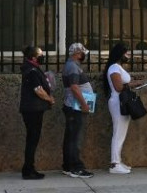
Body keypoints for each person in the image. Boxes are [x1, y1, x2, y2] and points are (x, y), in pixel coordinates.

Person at [103, 42, 144, 174]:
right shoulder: (114, 68)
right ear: (120, 54)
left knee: (121, 133)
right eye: (126, 53)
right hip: (117, 102)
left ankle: (118, 161)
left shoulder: (117, 67)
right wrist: (135, 83)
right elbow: (119, 87)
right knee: (118, 132)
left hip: (121, 102)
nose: (128, 55)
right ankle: (114, 164)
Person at [19, 45, 55, 180]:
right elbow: (38, 89)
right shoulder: (32, 71)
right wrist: (49, 98)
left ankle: (29, 167)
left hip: (33, 109)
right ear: (34, 57)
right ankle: (28, 169)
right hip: (32, 109)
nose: (42, 56)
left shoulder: (32, 69)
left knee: (32, 139)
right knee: (32, 139)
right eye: (40, 54)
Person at [61, 42, 94, 178]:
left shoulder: (72, 65)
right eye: (81, 53)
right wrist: (84, 104)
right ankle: (76, 167)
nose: (83, 56)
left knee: (70, 137)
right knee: (75, 138)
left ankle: (68, 165)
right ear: (76, 54)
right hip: (75, 107)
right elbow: (74, 87)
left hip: (73, 106)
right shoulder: (73, 67)